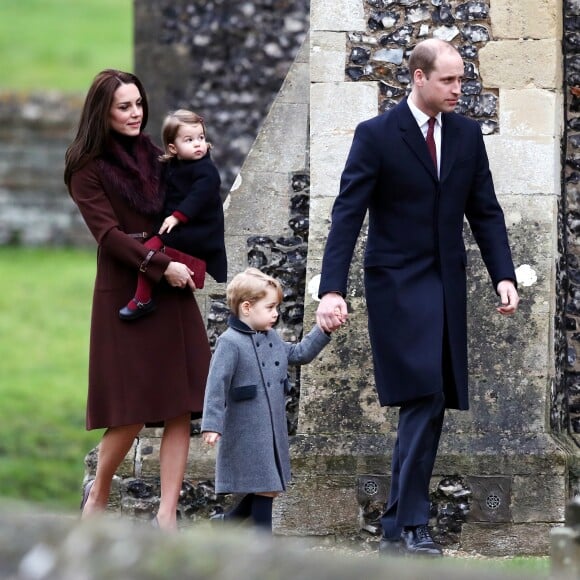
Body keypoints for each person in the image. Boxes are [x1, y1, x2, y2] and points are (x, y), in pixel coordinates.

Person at [315, 39, 519, 556]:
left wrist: (503, 275)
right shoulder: (377, 135)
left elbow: (486, 210)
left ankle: (394, 526)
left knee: (429, 400)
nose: (459, 89)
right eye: (449, 80)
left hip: (446, 284)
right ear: (418, 77)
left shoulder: (469, 135)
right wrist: (331, 288)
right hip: (396, 285)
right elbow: (347, 214)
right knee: (424, 393)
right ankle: (413, 524)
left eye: (461, 79)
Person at [64, 69, 212, 531]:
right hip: (125, 290)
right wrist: (159, 266)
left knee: (178, 408)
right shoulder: (85, 168)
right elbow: (107, 235)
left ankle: (166, 516)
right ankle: (99, 492)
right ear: (102, 112)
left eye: (138, 104)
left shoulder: (154, 154)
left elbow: (195, 186)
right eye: (124, 106)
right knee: (128, 413)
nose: (135, 113)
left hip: (170, 286)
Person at [201, 268, 332, 533]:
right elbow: (216, 384)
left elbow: (298, 354)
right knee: (265, 487)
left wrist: (323, 329)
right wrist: (212, 424)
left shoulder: (270, 337)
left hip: (273, 430)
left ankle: (226, 523)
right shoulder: (230, 342)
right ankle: (263, 550)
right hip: (246, 429)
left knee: (268, 487)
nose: (276, 313)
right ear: (247, 307)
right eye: (270, 307)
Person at [119, 109, 227, 320]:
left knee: (149, 251)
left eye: (201, 138)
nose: (198, 144)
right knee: (152, 248)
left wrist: (177, 216)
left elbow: (199, 195)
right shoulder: (173, 166)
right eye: (189, 140)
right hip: (184, 226)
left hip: (200, 229)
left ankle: (143, 299)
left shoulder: (206, 170)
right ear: (172, 148)